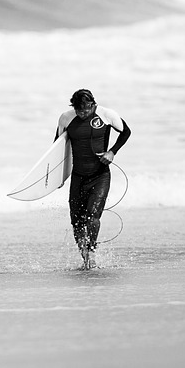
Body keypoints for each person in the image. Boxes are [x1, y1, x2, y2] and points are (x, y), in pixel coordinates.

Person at [56, 88, 131, 269]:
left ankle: (91, 251)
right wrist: (57, 178)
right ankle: (85, 257)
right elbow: (57, 148)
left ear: (93, 104)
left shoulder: (106, 115)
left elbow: (126, 132)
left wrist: (112, 152)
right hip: (77, 176)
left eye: (87, 109)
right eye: (80, 110)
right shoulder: (66, 118)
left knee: (92, 216)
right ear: (74, 107)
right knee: (76, 221)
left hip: (100, 175)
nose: (84, 113)